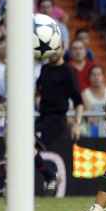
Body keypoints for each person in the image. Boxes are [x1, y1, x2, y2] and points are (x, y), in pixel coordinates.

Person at [36, 47, 84, 196]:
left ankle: (50, 176)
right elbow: (38, 90)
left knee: (27, 145)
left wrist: (76, 123)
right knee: (24, 147)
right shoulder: (44, 69)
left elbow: (78, 101)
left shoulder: (68, 71)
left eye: (56, 49)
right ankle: (50, 176)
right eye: (50, 49)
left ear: (63, 50)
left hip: (57, 119)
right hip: (42, 117)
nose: (53, 52)